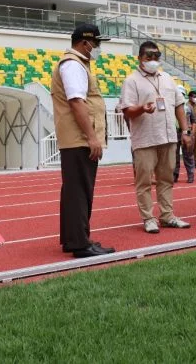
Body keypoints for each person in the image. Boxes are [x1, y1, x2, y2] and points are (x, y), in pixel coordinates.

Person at [51, 23, 116, 258]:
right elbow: (77, 102)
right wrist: (91, 137)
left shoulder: (74, 64)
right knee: (80, 191)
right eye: (96, 43)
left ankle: (73, 239)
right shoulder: (73, 65)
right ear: (84, 42)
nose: (97, 48)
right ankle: (80, 243)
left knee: (74, 191)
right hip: (79, 138)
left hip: (75, 138)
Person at [120, 40, 192, 233]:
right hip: (145, 139)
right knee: (144, 182)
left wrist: (185, 131)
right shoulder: (131, 80)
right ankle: (148, 218)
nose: (153, 60)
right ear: (140, 58)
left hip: (168, 138)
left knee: (166, 179)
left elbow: (179, 105)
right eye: (148, 56)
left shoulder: (168, 78)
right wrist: (141, 109)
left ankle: (167, 216)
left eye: (156, 57)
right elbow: (127, 110)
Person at [174, 85, 196, 184]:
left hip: (186, 133)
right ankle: (174, 175)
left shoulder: (189, 107)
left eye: (182, 94)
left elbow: (194, 121)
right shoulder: (172, 107)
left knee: (188, 155)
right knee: (174, 156)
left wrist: (193, 134)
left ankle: (190, 175)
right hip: (174, 133)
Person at [187, 90, 196, 166]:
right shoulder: (187, 105)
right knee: (191, 147)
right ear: (189, 97)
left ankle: (195, 162)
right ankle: (191, 162)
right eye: (193, 96)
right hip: (190, 129)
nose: (195, 98)